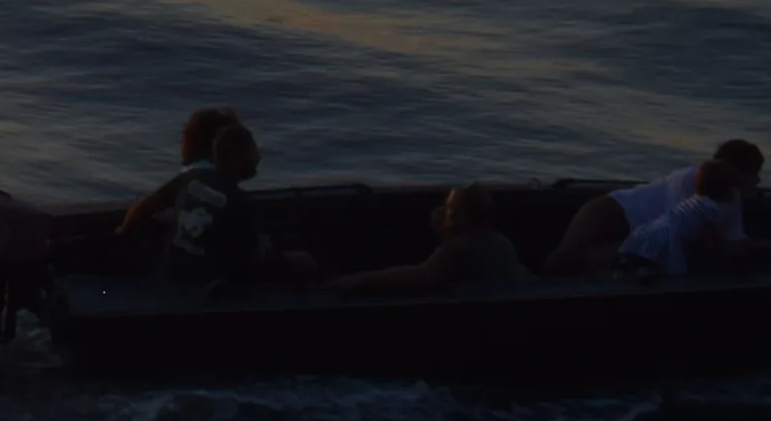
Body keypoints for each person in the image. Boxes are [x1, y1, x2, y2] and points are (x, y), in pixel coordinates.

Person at [541, 140, 771, 277]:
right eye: (754, 173)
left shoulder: (731, 197)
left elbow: (732, 239)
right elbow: (690, 234)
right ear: (736, 172)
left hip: (637, 235)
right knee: (562, 263)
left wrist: (763, 248)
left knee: (593, 264)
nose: (759, 181)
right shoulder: (693, 181)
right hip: (613, 212)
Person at [120, 110, 311, 287]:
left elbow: (143, 209)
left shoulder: (188, 179)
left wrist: (121, 235)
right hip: (218, 283)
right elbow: (248, 261)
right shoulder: (238, 201)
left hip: (177, 272)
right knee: (302, 261)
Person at [335, 186, 524, 295]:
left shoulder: (457, 252)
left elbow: (418, 276)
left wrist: (360, 280)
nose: (441, 212)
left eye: (449, 208)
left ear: (463, 218)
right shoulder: (504, 245)